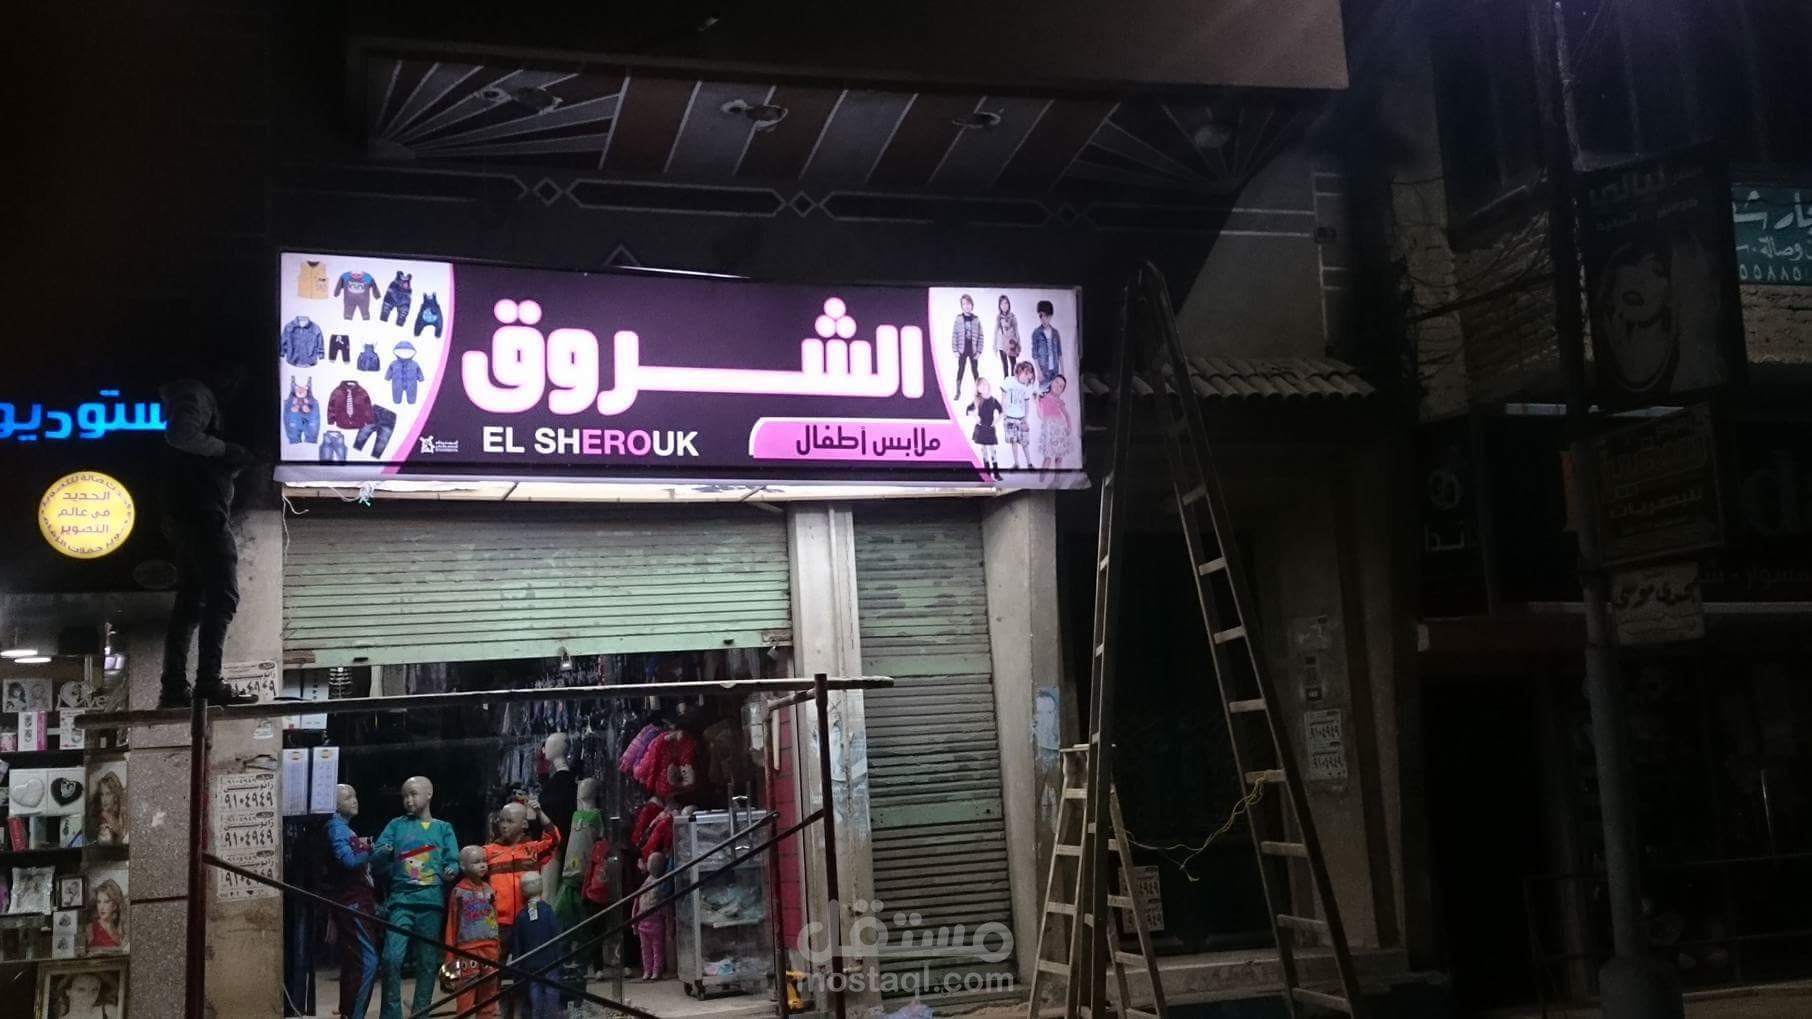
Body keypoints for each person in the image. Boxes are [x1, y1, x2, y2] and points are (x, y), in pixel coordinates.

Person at [158, 360, 260, 708]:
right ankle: (207, 683)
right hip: (201, 514)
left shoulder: (199, 397)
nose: (234, 384)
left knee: (190, 601)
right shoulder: (196, 393)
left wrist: (229, 465)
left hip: (188, 514)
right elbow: (180, 435)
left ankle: (174, 687)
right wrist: (226, 451)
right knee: (223, 596)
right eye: (232, 375)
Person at [371, 776, 460, 1019]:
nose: (408, 800)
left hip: (431, 902)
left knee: (427, 962)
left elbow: (454, 859)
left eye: (413, 794)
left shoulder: (443, 828)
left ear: (429, 794)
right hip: (401, 901)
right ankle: (392, 1015)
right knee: (391, 958)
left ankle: (422, 1012)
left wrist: (452, 869)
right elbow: (376, 859)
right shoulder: (396, 825)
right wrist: (384, 852)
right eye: (405, 796)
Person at [324, 784, 379, 1019]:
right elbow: (348, 860)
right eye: (347, 797)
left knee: (353, 960)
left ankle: (348, 1011)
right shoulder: (337, 829)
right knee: (367, 961)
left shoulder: (342, 828)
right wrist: (371, 850)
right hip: (353, 903)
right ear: (335, 804)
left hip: (354, 901)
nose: (354, 800)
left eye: (355, 795)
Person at [444, 846, 503, 1019]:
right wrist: (450, 956)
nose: (483, 865)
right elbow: (452, 923)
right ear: (463, 866)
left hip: (490, 948)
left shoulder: (489, 890)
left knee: (489, 993)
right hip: (467, 950)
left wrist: (497, 945)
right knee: (466, 993)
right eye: (476, 862)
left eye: (484, 861)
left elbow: (494, 918)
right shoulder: (459, 892)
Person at [506, 871, 564, 1017]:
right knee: (551, 995)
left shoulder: (522, 916)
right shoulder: (548, 912)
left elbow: (517, 944)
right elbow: (557, 936)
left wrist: (516, 964)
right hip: (550, 961)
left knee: (535, 998)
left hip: (531, 964)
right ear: (541, 886)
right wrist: (560, 957)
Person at [633, 852, 671, 981]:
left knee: (655, 949)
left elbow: (637, 901)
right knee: (648, 949)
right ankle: (649, 970)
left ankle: (655, 970)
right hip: (645, 921)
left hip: (654, 921)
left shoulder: (657, 884)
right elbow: (637, 900)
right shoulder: (650, 882)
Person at [998, 361, 1037, 472]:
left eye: (1029, 379)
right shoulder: (1008, 381)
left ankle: (1029, 463)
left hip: (1021, 418)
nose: (1027, 380)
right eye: (1026, 376)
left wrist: (1025, 418)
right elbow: (1003, 397)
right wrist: (1004, 412)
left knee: (1024, 442)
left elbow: (1027, 403)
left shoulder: (1027, 387)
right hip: (1009, 417)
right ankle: (1016, 463)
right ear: (1020, 371)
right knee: (1013, 441)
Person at [965, 378, 1004, 481]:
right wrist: (975, 416)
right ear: (977, 388)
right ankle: (987, 473)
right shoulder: (977, 400)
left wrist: (996, 421)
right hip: (981, 429)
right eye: (980, 385)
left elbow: (1001, 411)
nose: (983, 387)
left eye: (985, 384)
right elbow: (968, 410)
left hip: (990, 429)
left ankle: (996, 473)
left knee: (992, 451)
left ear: (988, 385)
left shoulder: (993, 400)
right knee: (984, 451)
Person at [950, 294, 984, 401]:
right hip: (962, 350)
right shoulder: (958, 319)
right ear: (961, 306)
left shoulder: (976, 319)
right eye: (964, 304)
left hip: (973, 350)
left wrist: (979, 351)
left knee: (975, 371)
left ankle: (978, 392)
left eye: (968, 304)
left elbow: (981, 336)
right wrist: (955, 350)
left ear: (972, 305)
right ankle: (958, 391)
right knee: (961, 370)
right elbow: (954, 334)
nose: (966, 306)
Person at [1038, 374, 1074, 473]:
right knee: (1047, 458)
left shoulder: (1059, 401)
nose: (1057, 386)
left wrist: (1069, 427)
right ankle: (1040, 479)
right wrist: (1037, 401)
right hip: (1048, 430)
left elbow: (1067, 415)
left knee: (1059, 458)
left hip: (1059, 430)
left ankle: (1057, 479)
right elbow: (1040, 415)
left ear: (1062, 391)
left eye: (1061, 386)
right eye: (1056, 382)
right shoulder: (1042, 397)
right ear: (1051, 382)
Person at [53, 972, 120, 1019]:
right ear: (68, 991)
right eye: (81, 990)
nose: (88, 995)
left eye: (94, 990)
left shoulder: (109, 1012)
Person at [1030, 300, 1063, 394]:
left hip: (1055, 371)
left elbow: (1059, 353)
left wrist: (1062, 371)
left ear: (1050, 316)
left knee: (1055, 397)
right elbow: (1034, 354)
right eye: (1041, 316)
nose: (1043, 319)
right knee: (1044, 397)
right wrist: (1038, 371)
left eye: (1046, 316)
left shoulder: (1055, 333)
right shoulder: (1036, 333)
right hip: (1044, 372)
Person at [87, 878, 126, 950]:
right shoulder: (91, 928)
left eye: (106, 902)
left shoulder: (119, 931)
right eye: (99, 902)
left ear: (114, 906)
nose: (101, 907)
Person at [90, 771, 126, 846]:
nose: (104, 799)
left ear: (115, 796)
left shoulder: (121, 814)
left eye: (108, 794)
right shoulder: (102, 816)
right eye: (102, 794)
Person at [993, 295, 1021, 379]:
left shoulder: (1013, 317)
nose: (1004, 306)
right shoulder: (999, 317)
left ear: (1009, 304)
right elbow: (995, 331)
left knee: (1013, 364)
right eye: (1001, 304)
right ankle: (1006, 384)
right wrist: (994, 345)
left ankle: (1013, 382)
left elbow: (1016, 331)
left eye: (1006, 303)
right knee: (1005, 366)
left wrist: (1019, 344)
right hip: (1002, 344)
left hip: (1012, 344)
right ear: (999, 306)